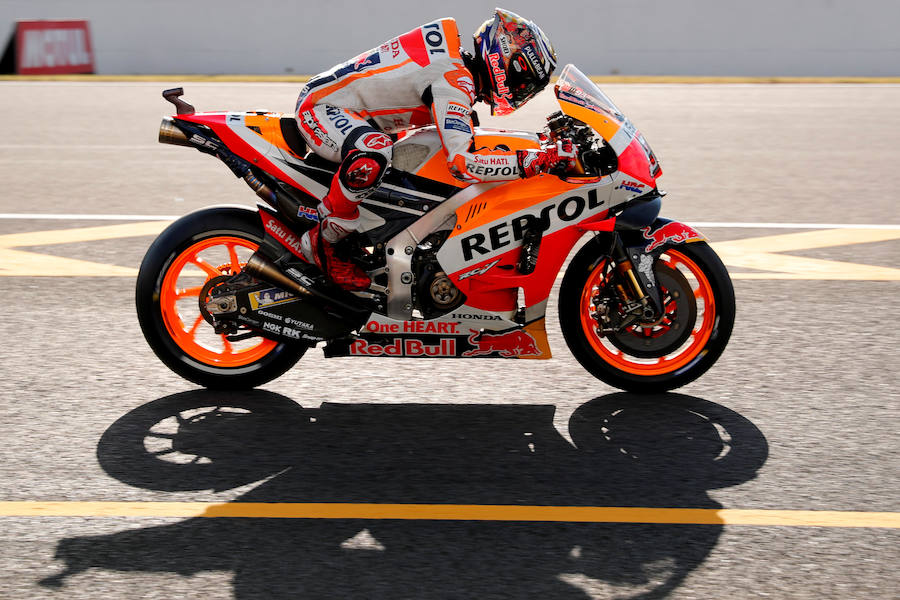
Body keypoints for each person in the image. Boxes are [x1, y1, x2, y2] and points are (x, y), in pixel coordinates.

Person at [295, 8, 571, 290]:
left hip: (358, 114)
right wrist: (532, 162)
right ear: (506, 62)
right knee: (375, 151)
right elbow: (463, 163)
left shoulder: (455, 68)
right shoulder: (454, 79)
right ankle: (324, 241)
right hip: (322, 107)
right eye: (523, 81)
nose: (522, 91)